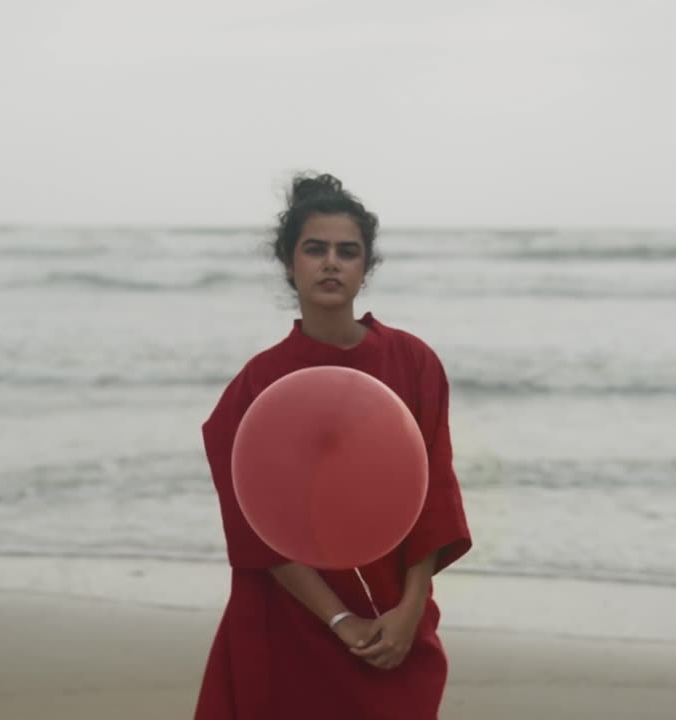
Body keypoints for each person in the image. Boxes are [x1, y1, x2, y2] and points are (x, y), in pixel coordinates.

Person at [194, 173, 473, 720]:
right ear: (289, 263)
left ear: (365, 267)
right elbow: (255, 529)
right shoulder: (255, 386)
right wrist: (340, 620)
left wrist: (409, 610)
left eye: (347, 252)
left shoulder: (413, 363)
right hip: (290, 619)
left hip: (393, 611)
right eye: (314, 249)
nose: (331, 263)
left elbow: (434, 496)